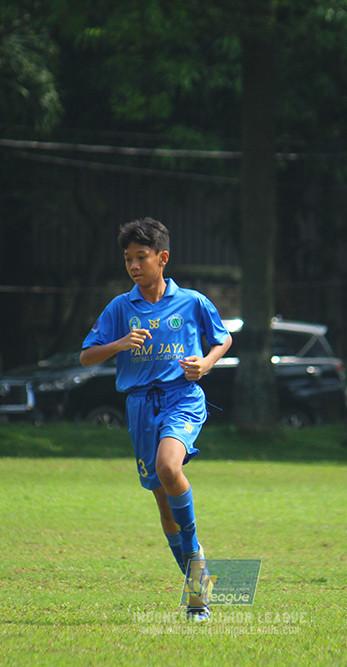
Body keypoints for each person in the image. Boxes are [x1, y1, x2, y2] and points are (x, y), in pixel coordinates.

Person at [80, 217, 232, 621]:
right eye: (128, 259)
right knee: (163, 504)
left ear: (162, 258)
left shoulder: (192, 301)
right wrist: (118, 344)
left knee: (169, 466)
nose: (133, 265)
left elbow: (223, 337)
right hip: (138, 408)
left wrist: (206, 363)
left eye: (141, 257)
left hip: (182, 398)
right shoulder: (120, 307)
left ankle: (195, 553)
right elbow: (86, 355)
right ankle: (197, 588)